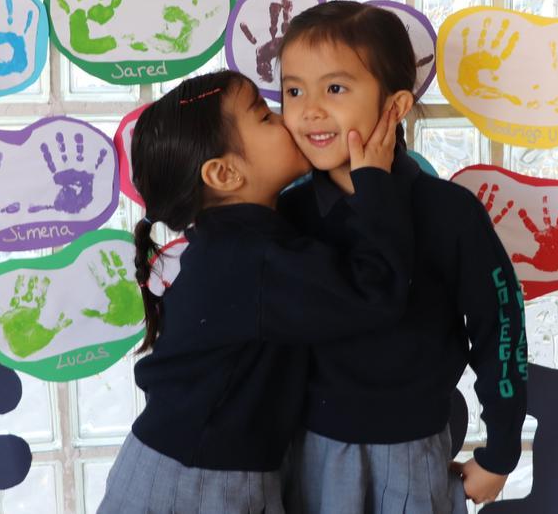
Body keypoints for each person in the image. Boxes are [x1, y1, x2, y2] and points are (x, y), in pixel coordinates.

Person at [98, 69, 414, 513]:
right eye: (265, 117)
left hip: (184, 465)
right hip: (196, 481)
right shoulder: (252, 257)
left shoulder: (233, 241)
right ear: (225, 173)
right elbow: (376, 294)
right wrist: (375, 183)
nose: (290, 119)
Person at [278, 1, 528, 512]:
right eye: (293, 90)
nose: (309, 110)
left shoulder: (448, 211)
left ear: (394, 107)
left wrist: (500, 452)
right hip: (306, 451)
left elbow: (499, 326)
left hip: (414, 453)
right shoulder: (287, 213)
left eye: (335, 88)